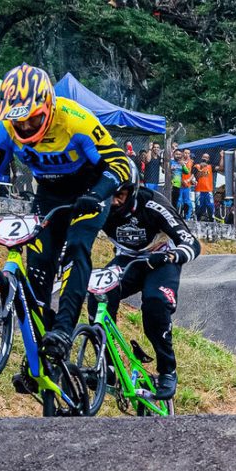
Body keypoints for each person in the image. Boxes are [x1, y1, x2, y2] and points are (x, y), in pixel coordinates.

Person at [0, 64, 131, 368]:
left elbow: (119, 165)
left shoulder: (77, 121)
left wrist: (97, 194)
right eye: (18, 121)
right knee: (39, 263)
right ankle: (41, 345)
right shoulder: (4, 128)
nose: (25, 128)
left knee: (76, 248)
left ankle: (63, 330)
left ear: (48, 106)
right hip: (49, 194)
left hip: (89, 191)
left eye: (33, 119)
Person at [88, 162, 201, 399]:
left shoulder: (153, 203)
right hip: (128, 260)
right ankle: (106, 366)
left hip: (161, 259)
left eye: (120, 195)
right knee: (98, 295)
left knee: (155, 303)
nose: (115, 202)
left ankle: (167, 370)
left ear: (133, 190)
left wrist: (174, 255)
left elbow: (191, 242)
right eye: (110, 195)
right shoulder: (99, 206)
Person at [193, 151, 221, 221]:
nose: (205, 158)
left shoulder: (210, 167)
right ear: (201, 157)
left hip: (208, 190)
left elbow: (221, 167)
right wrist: (201, 168)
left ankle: (212, 220)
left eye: (207, 157)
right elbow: (193, 176)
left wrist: (222, 156)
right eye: (204, 157)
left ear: (208, 159)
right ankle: (197, 220)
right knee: (199, 206)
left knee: (211, 206)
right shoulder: (197, 166)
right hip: (199, 190)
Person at [179, 147, 195, 219]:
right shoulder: (179, 161)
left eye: (188, 153)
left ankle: (187, 217)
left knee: (187, 201)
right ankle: (178, 216)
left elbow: (193, 173)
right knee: (179, 201)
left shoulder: (192, 162)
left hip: (187, 185)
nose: (187, 154)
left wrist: (188, 180)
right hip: (179, 185)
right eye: (185, 153)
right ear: (182, 153)